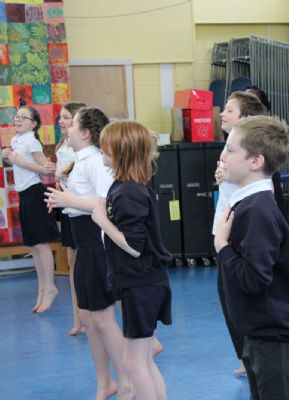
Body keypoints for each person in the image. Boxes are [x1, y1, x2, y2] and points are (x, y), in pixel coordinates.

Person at [214, 115, 289, 400]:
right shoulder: (248, 203)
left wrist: (223, 246)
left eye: (231, 150)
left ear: (255, 161)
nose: (223, 156)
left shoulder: (258, 210)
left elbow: (254, 278)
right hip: (259, 330)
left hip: (275, 335)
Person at [44, 107, 133, 400]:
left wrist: (68, 199)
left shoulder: (95, 161)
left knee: (103, 319)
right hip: (84, 243)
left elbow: (107, 203)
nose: (66, 128)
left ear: (84, 133)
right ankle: (105, 382)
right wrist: (65, 200)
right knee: (89, 318)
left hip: (97, 243)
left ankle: (126, 381)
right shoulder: (80, 161)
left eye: (72, 125)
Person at [92, 120, 172, 400]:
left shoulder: (128, 192)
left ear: (119, 151)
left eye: (104, 146)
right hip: (143, 282)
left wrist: (102, 220)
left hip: (141, 283)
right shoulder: (128, 186)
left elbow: (135, 247)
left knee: (134, 363)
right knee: (143, 360)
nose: (100, 150)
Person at [213, 91, 286, 378]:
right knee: (228, 297)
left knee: (244, 293)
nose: (222, 114)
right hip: (227, 233)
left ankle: (253, 355)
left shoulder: (260, 199)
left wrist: (225, 244)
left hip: (237, 238)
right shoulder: (233, 153)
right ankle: (247, 356)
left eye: (230, 110)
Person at [2, 103, 59, 313]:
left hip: (35, 193)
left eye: (23, 118)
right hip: (24, 194)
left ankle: (50, 287)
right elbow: (14, 162)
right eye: (17, 117)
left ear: (33, 124)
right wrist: (7, 156)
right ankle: (42, 288)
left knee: (41, 244)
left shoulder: (32, 141)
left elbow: (46, 171)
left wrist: (17, 160)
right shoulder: (16, 140)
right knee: (33, 245)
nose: (17, 120)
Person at [56, 101, 87, 336]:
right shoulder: (63, 144)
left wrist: (58, 173)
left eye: (67, 117)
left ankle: (88, 313)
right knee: (72, 260)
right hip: (68, 207)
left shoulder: (83, 150)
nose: (61, 121)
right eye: (61, 117)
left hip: (81, 208)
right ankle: (78, 316)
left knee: (85, 263)